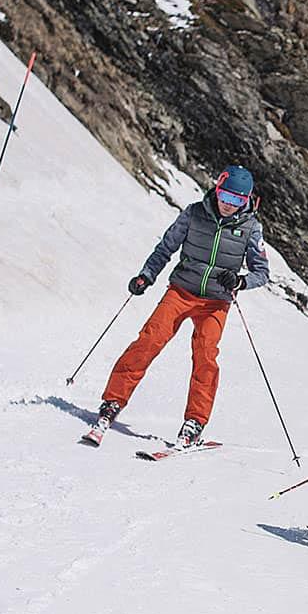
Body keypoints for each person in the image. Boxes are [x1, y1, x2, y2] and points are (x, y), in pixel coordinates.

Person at [87, 166, 270, 446]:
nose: (228, 205)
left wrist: (240, 281)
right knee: (149, 341)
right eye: (225, 196)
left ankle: (195, 421)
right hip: (181, 291)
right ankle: (112, 402)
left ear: (247, 201)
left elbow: (262, 272)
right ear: (217, 190)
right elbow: (165, 248)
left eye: (236, 201)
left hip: (216, 302)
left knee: (205, 356)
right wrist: (146, 275)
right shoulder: (194, 213)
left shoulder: (251, 229)